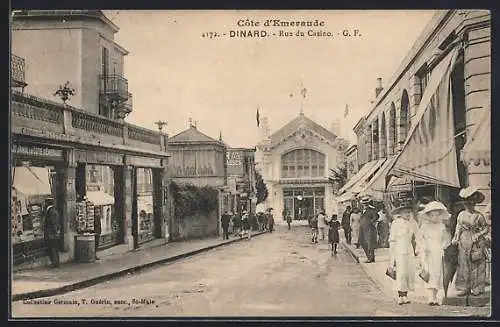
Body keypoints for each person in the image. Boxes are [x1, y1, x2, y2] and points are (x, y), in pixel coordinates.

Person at [452, 186, 489, 296]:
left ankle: (477, 288)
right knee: (463, 264)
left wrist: (478, 234)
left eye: (472, 204)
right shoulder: (461, 215)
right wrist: (455, 238)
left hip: (476, 242)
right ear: (464, 204)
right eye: (467, 204)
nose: (469, 206)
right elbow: (458, 227)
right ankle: (465, 287)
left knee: (476, 264)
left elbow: (486, 228)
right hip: (464, 240)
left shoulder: (479, 216)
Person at [417, 201, 452, 306]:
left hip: (438, 251)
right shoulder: (424, 226)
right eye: (432, 215)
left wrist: (444, 246)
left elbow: (446, 239)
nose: (435, 217)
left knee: (437, 273)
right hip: (428, 251)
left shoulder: (441, 226)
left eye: (437, 215)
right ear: (428, 216)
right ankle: (430, 297)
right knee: (429, 273)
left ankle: (435, 297)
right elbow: (419, 239)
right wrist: (424, 247)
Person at [388, 195, 417, 305]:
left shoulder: (412, 223)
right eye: (405, 212)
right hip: (398, 249)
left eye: (409, 212)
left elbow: (417, 236)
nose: (407, 214)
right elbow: (392, 239)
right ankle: (400, 295)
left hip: (408, 249)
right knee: (400, 272)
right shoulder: (396, 223)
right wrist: (392, 254)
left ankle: (406, 295)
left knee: (408, 272)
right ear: (401, 213)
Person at [359, 196, 379, 263]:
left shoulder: (372, 209)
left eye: (366, 204)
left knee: (369, 243)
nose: (365, 205)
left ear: (368, 203)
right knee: (362, 242)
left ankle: (371, 258)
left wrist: (371, 222)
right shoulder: (362, 210)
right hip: (362, 229)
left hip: (369, 229)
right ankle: (368, 257)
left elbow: (376, 216)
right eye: (364, 204)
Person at [44, 197, 60, 268]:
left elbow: (54, 223)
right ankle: (55, 262)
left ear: (47, 203)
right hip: (52, 233)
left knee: (52, 248)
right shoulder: (52, 210)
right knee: (54, 248)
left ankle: (55, 263)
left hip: (51, 234)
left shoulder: (51, 211)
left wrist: (55, 232)